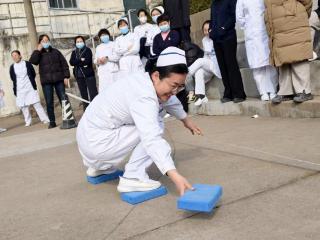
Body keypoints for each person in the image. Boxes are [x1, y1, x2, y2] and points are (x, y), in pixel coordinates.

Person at [76, 47, 202, 195]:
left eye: (180, 87)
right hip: (98, 144)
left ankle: (100, 168)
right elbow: (151, 137)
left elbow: (169, 98)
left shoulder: (142, 79)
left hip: (87, 140)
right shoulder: (144, 96)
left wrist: (185, 120)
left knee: (153, 115)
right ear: (156, 76)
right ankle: (133, 177)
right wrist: (174, 174)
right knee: (156, 124)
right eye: (173, 85)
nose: (175, 92)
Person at [264, 0, 314, 104]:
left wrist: (295, 11)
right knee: (282, 57)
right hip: (277, 24)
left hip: (293, 20)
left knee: (298, 55)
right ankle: (286, 91)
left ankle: (304, 90)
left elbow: (307, 2)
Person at [236, 0, 278, 101]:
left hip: (265, 31)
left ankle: (273, 90)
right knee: (256, 65)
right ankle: (262, 91)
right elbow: (239, 17)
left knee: (269, 63)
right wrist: (248, 26)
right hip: (252, 34)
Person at [29, 34, 70, 129]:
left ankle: (67, 118)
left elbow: (64, 64)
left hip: (59, 79)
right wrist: (37, 50)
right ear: (40, 43)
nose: (45, 42)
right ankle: (52, 121)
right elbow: (33, 61)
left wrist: (66, 76)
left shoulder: (56, 52)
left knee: (63, 99)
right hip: (46, 81)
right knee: (49, 102)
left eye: (47, 40)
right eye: (43, 41)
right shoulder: (39, 53)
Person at [210, 0, 246, 103]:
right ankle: (228, 93)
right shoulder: (214, 3)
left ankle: (239, 94)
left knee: (231, 65)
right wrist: (211, 30)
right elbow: (212, 19)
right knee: (222, 66)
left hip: (228, 36)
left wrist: (224, 28)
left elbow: (233, 16)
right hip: (216, 38)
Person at [9, 50, 49, 127]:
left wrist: (30, 83)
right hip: (20, 89)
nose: (14, 57)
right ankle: (28, 121)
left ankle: (45, 119)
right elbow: (13, 78)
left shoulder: (27, 64)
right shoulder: (12, 67)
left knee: (36, 104)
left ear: (20, 56)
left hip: (29, 87)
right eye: (13, 56)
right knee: (23, 106)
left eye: (16, 55)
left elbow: (32, 74)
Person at [186, 20, 222, 106]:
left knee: (199, 61)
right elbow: (206, 55)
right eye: (205, 30)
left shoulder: (218, 37)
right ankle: (201, 96)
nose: (207, 32)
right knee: (199, 71)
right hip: (208, 66)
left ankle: (186, 74)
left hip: (217, 64)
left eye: (209, 29)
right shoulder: (204, 40)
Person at [69, 36, 98, 111]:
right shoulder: (74, 52)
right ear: (75, 43)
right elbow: (71, 62)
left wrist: (77, 62)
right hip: (79, 76)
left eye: (80, 41)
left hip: (88, 75)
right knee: (83, 94)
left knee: (93, 93)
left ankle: (96, 109)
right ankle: (86, 110)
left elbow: (87, 61)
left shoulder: (88, 50)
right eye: (77, 42)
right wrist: (80, 60)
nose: (79, 43)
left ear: (84, 42)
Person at [144, 6, 163, 72]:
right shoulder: (152, 28)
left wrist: (154, 40)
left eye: (157, 14)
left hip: (163, 54)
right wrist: (156, 41)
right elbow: (148, 41)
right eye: (153, 15)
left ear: (162, 14)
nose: (155, 16)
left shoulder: (165, 26)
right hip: (153, 54)